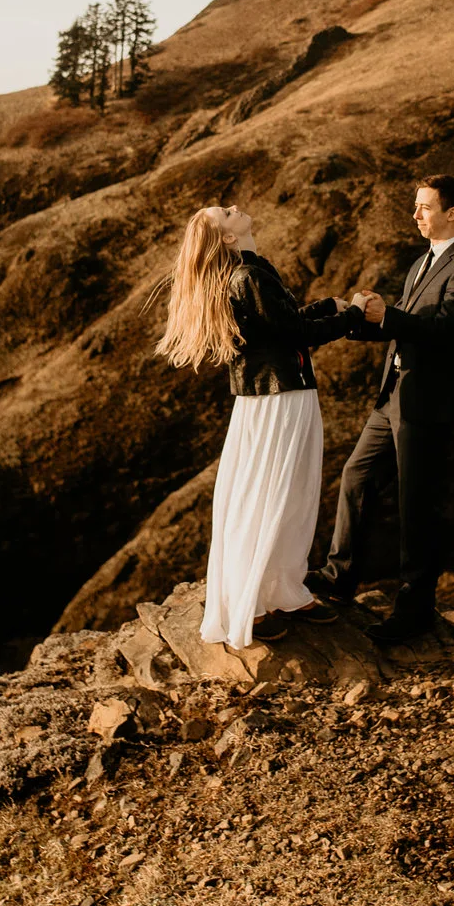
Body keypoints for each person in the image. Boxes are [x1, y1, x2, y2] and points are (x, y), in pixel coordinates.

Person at [156, 203, 362, 649]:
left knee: (285, 495)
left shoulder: (249, 273)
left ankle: (283, 590)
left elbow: (281, 324)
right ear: (228, 237)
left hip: (275, 397)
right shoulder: (246, 277)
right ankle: (252, 603)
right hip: (279, 399)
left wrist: (331, 305)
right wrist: (352, 318)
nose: (234, 207)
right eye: (225, 213)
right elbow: (297, 335)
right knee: (276, 495)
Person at [307, 174, 454, 645]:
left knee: (416, 507)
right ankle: (338, 579)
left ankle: (413, 611)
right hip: (393, 397)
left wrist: (387, 315)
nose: (415, 215)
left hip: (427, 405)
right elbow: (403, 328)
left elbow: (447, 330)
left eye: (424, 207)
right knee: (356, 477)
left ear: (452, 213)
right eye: (416, 206)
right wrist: (356, 321)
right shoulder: (420, 263)